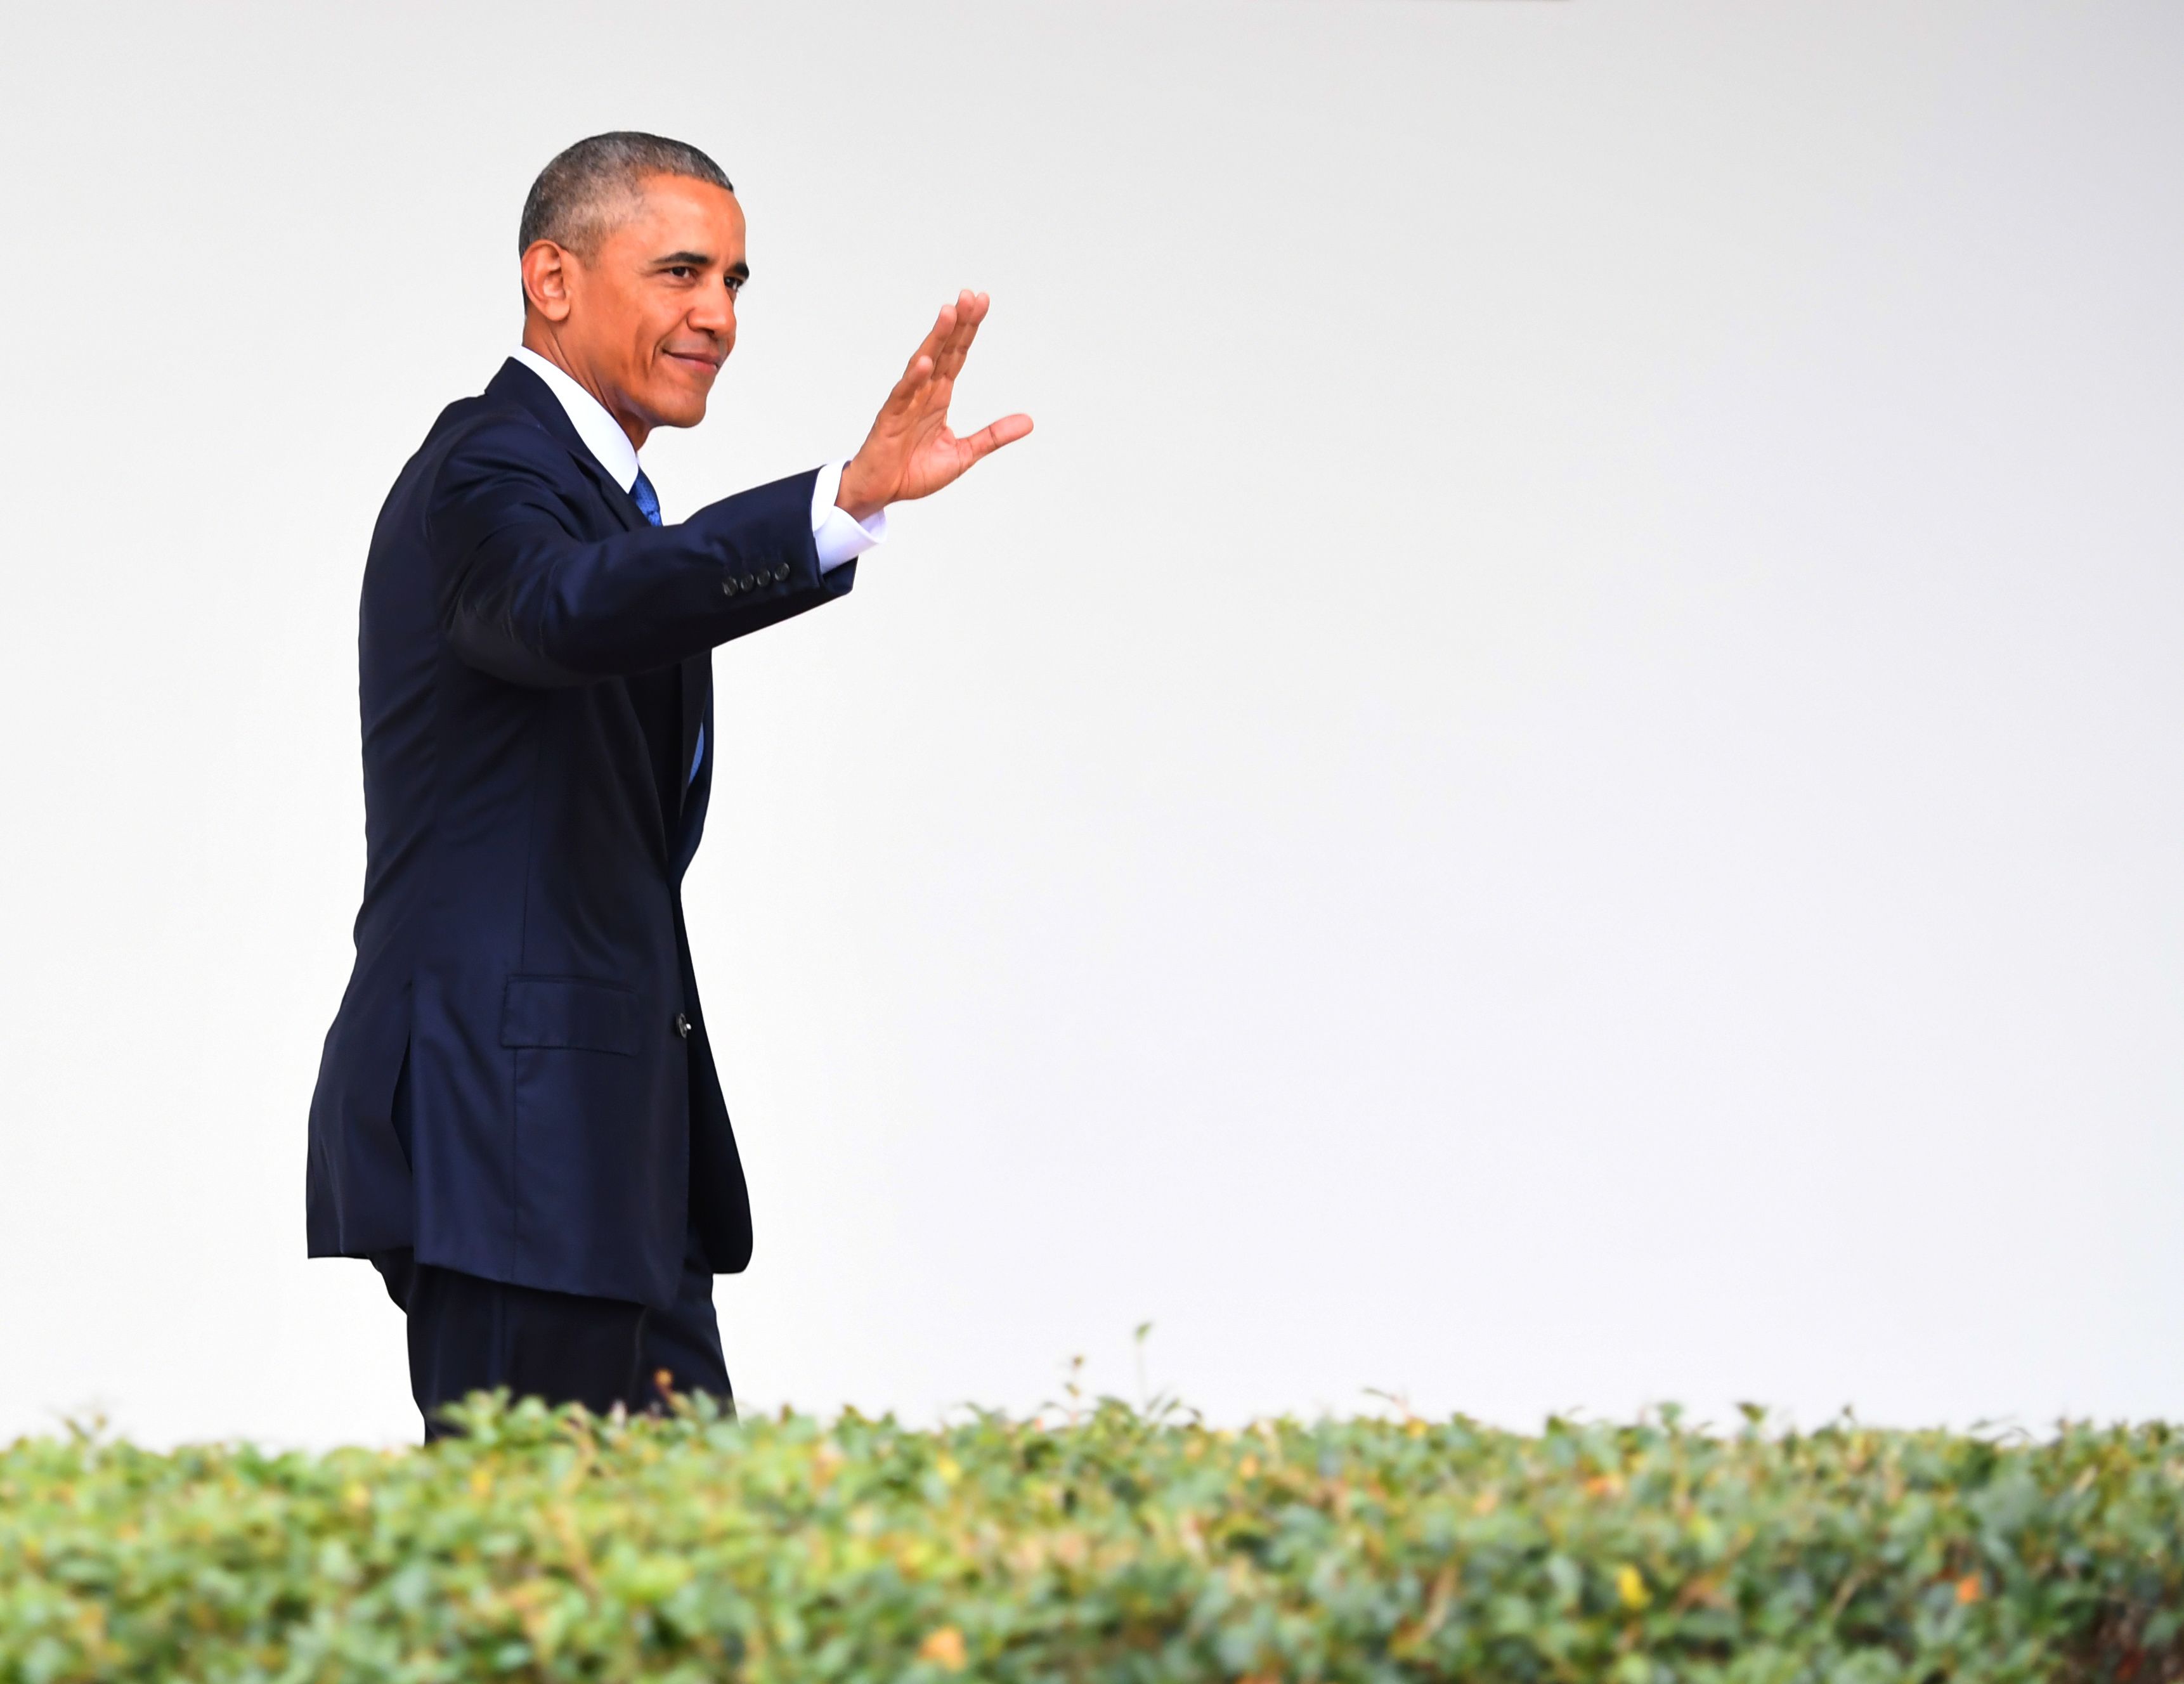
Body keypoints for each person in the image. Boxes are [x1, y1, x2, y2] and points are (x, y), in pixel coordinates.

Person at [304, 132, 1030, 1439]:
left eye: (735, 281)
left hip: (601, 1149)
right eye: (681, 272)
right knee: (540, 1546)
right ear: (553, 279)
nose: (719, 316)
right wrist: (833, 507)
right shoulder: (488, 464)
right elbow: (561, 609)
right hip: (514, 1135)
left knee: (685, 1545)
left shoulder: (599, 497)